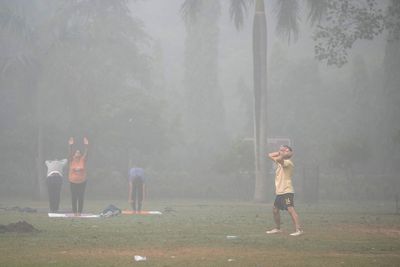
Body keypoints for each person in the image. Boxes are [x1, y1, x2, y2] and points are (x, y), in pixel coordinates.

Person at [266, 145, 303, 236]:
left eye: (286, 150)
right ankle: (278, 228)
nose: (283, 151)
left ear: (290, 153)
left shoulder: (288, 162)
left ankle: (299, 230)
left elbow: (279, 159)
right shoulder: (281, 160)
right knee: (275, 210)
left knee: (290, 209)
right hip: (280, 191)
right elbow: (269, 155)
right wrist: (280, 152)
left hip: (287, 190)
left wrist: (283, 153)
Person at [68, 137, 89, 216]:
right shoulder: (71, 160)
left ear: (80, 154)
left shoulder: (82, 160)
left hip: (82, 181)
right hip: (73, 181)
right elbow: (69, 153)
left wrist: (86, 145)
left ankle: (79, 212)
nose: (77, 153)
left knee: (80, 197)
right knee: (74, 197)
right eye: (76, 152)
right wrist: (70, 145)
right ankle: (74, 212)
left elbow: (86, 153)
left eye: (79, 152)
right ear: (74, 154)